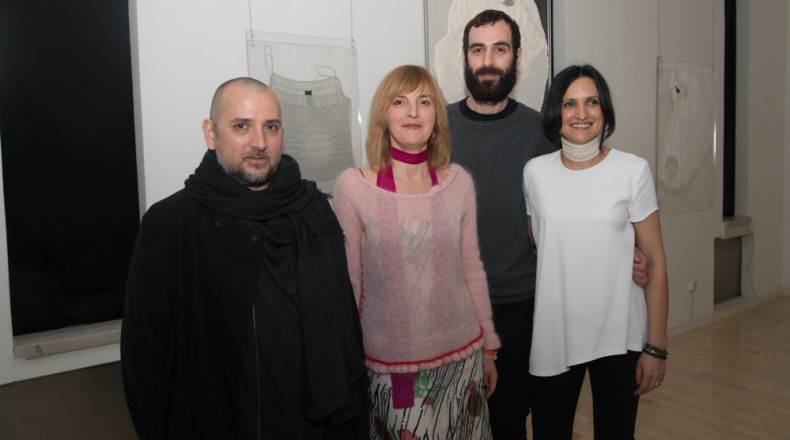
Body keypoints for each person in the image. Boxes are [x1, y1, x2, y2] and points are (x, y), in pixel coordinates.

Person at [120, 77, 368, 440]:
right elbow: (144, 358)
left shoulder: (313, 210)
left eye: (271, 126)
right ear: (211, 133)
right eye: (241, 126)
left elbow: (344, 331)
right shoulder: (172, 224)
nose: (260, 142)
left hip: (315, 427)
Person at [448, 10, 649, 439]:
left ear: (517, 58)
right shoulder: (438, 130)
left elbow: (583, 194)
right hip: (455, 307)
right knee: (455, 422)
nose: (488, 61)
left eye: (500, 49)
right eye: (478, 49)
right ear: (464, 57)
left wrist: (624, 250)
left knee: (512, 422)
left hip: (525, 307)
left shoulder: (540, 132)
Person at [332, 65, 501, 440]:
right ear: (383, 114)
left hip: (464, 357)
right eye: (400, 102)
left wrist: (489, 345)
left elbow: (471, 268)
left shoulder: (459, 182)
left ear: (436, 115)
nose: (412, 112)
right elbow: (350, 284)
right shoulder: (353, 187)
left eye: (424, 102)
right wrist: (345, 365)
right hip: (394, 368)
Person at [523, 64, 669, 439]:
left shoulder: (633, 170)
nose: (582, 113)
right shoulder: (535, 173)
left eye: (592, 102)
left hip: (619, 334)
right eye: (570, 103)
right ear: (556, 111)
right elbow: (540, 242)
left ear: (605, 109)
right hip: (555, 332)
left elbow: (655, 262)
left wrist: (656, 347)